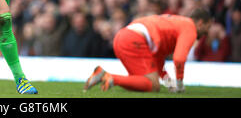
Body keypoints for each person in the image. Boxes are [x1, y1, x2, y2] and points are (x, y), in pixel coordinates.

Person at [83, 8, 212, 93]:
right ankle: (107, 76)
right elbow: (179, 59)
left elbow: (158, 59)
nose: (207, 31)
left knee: (143, 81)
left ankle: (107, 77)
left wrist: (168, 82)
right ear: (200, 23)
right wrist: (179, 84)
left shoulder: (176, 25)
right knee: (153, 85)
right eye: (208, 26)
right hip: (135, 40)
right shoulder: (190, 27)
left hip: (123, 37)